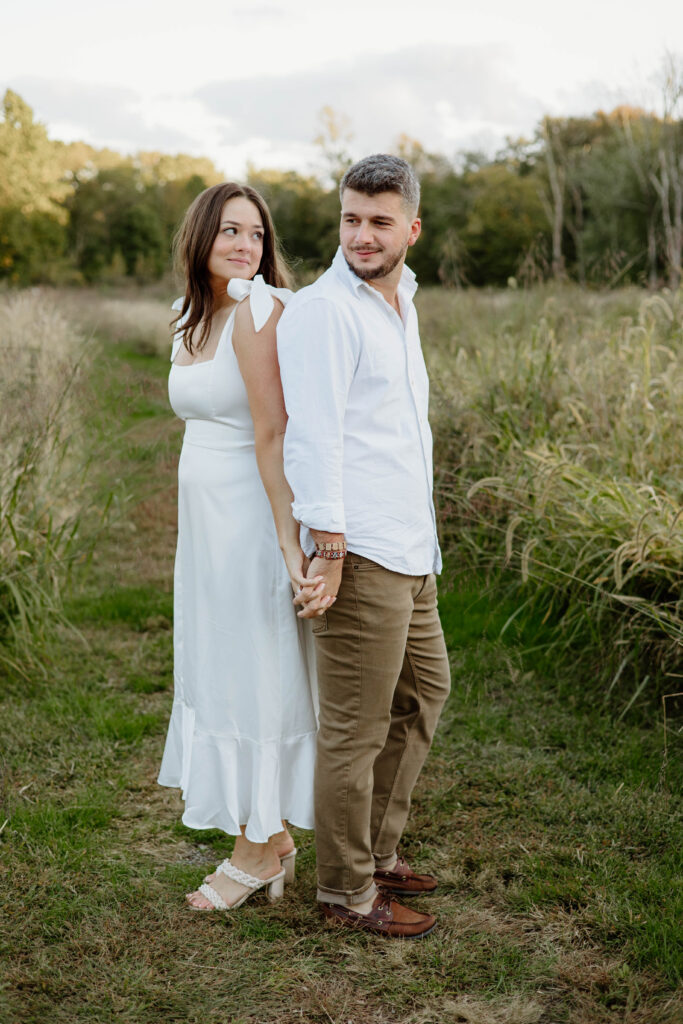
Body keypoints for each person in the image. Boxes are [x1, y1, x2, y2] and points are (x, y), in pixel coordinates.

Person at [277, 154, 451, 938]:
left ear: (411, 228)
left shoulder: (401, 301)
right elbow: (313, 436)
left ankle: (377, 853)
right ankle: (345, 892)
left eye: (379, 221)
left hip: (413, 546)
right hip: (364, 550)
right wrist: (331, 548)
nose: (361, 234)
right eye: (351, 218)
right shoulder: (325, 310)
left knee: (422, 697)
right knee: (355, 728)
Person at [158, 182, 320, 911]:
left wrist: (289, 542)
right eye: (230, 231)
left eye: (256, 234)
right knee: (219, 661)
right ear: (201, 238)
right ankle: (270, 837)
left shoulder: (259, 312)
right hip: (205, 527)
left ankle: (256, 850)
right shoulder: (187, 319)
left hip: (252, 518)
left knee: (257, 665)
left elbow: (272, 431)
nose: (246, 246)